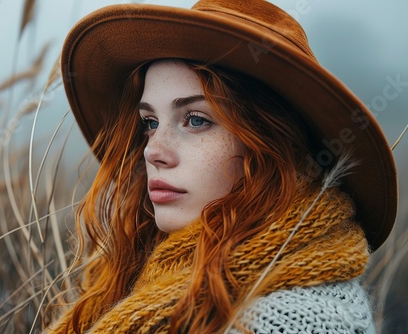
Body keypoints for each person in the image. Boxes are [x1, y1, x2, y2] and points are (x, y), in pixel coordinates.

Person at [49, 0, 397, 333]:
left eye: (196, 120)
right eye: (150, 122)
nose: (153, 151)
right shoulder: (135, 276)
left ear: (271, 145)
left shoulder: (301, 319)